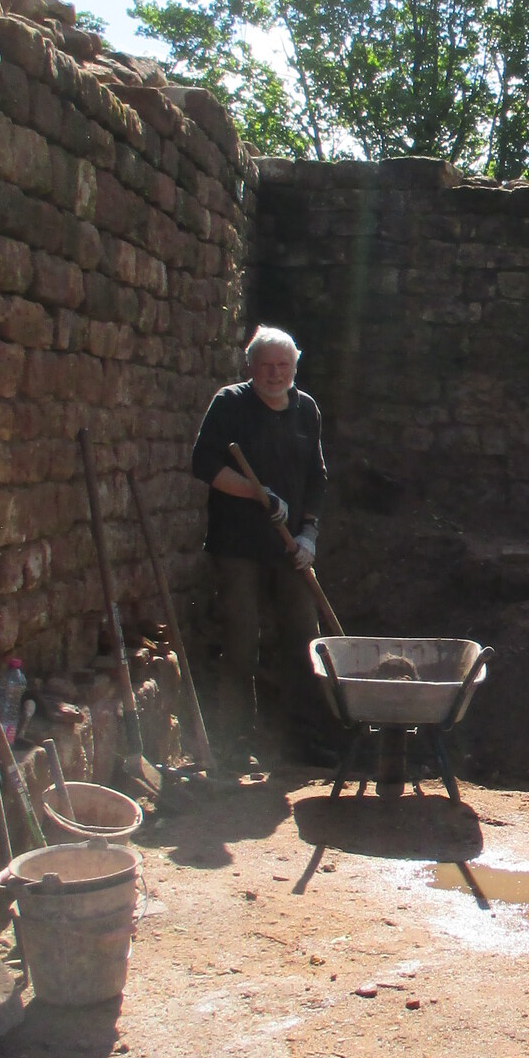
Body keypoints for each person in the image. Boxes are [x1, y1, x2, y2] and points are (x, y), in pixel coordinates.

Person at [191, 325, 331, 764]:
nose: (275, 373)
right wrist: (257, 493)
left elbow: (316, 478)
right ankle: (234, 744)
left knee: (305, 639)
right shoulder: (230, 404)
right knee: (240, 640)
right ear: (250, 366)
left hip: (290, 550)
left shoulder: (306, 409)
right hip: (237, 546)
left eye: (283, 365)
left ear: (295, 366)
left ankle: (303, 742)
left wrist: (308, 533)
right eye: (266, 365)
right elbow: (204, 464)